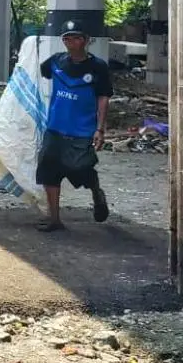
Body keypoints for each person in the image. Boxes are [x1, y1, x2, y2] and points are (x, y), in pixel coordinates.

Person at [36, 21, 111, 232]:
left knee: (80, 168)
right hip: (55, 128)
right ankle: (54, 219)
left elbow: (103, 97)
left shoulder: (98, 67)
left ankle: (96, 192)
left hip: (82, 130)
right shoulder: (55, 62)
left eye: (77, 38)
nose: (71, 42)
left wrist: (100, 128)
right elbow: (36, 74)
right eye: (67, 38)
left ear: (86, 41)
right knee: (48, 170)